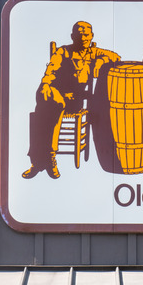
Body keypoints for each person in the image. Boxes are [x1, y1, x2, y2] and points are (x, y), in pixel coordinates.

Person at [24, 21, 121, 179]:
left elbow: (115, 57)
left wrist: (101, 62)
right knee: (48, 101)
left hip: (74, 100)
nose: (83, 37)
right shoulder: (63, 51)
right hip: (55, 94)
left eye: (86, 34)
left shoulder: (94, 53)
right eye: (79, 34)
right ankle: (47, 159)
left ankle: (40, 161)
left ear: (92, 36)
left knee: (40, 114)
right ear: (72, 36)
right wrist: (46, 85)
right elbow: (50, 72)